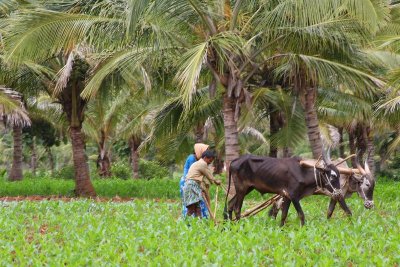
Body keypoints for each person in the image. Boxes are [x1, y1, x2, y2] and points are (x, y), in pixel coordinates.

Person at [182, 150, 221, 218]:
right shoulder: (202, 164)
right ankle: (184, 224)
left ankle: (199, 225)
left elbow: (203, 178)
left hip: (193, 185)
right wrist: (215, 181)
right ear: (205, 157)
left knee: (197, 208)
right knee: (191, 209)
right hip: (191, 186)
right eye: (210, 160)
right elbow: (209, 176)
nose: (210, 162)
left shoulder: (198, 163)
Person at [180, 143, 209, 218]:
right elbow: (194, 174)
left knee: (197, 203)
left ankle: (198, 221)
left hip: (194, 182)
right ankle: (187, 221)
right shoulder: (192, 158)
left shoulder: (198, 160)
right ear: (200, 151)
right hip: (188, 182)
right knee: (191, 204)